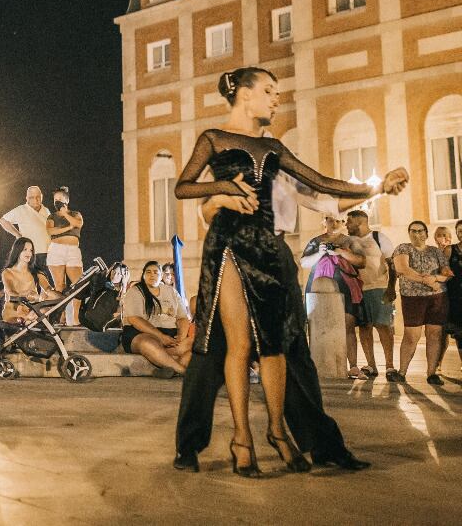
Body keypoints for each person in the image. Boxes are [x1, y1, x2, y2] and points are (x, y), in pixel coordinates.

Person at [171, 67, 404, 477]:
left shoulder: (277, 154)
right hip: (227, 248)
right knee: (214, 353)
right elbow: (198, 200)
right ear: (244, 95)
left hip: (273, 251)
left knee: (287, 350)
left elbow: (325, 191)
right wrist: (223, 194)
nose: (278, 99)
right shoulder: (215, 140)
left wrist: (377, 187)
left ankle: (303, 439)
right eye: (269, 91)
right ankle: (203, 443)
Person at [299, 217, 366, 379]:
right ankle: (315, 363)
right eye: (331, 220)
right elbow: (304, 263)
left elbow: (361, 261)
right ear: (325, 222)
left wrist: (340, 251)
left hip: (345, 285)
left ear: (343, 223)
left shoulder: (350, 241)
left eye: (338, 221)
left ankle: (353, 365)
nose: (334, 224)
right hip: (318, 285)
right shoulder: (316, 241)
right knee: (315, 324)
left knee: (348, 324)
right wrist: (320, 253)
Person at [389, 221, 450, 385]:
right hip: (412, 298)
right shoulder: (403, 248)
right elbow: (403, 269)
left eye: (420, 231)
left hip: (437, 297)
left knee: (434, 334)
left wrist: (436, 278)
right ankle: (401, 372)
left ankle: (431, 373)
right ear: (409, 233)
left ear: (426, 233)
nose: (417, 234)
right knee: (411, 335)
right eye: (413, 231)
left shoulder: (436, 251)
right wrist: (427, 280)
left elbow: (446, 273)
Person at [344, 209, 397, 378]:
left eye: (349, 221)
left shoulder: (378, 238)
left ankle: (390, 366)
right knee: (364, 328)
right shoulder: (349, 242)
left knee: (383, 326)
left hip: (379, 288)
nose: (346, 225)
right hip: (358, 290)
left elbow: (392, 264)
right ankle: (371, 365)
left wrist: (391, 288)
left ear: (360, 222)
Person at [120, 260, 192, 376]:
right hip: (141, 333)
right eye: (148, 272)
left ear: (161, 276)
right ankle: (183, 371)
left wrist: (181, 337)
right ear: (143, 276)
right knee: (148, 344)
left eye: (155, 272)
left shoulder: (171, 291)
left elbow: (182, 318)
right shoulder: (135, 291)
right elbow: (135, 320)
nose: (152, 275)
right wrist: (161, 337)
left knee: (194, 343)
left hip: (170, 336)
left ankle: (169, 367)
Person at [0, 186, 53, 292]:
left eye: (38, 197)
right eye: (32, 197)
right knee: (32, 283)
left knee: (47, 284)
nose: (35, 199)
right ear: (27, 198)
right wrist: (18, 235)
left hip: (48, 252)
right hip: (31, 254)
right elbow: (3, 220)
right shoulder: (21, 210)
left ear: (42, 197)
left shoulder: (46, 210)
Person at [46, 187, 85, 325]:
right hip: (56, 250)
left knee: (78, 285)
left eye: (60, 199)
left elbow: (78, 223)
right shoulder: (52, 216)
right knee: (60, 285)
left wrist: (65, 214)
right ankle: (61, 317)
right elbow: (51, 231)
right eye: (55, 199)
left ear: (66, 200)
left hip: (73, 250)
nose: (57, 201)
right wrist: (69, 228)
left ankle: (75, 318)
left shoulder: (75, 213)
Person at [0, 237, 42, 323]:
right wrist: (27, 296)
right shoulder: (7, 272)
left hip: (31, 312)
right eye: (25, 249)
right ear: (17, 251)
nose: (29, 253)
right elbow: (10, 291)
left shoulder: (36, 272)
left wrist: (41, 297)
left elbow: (47, 290)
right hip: (12, 314)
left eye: (31, 250)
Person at [443, 221, 462, 369]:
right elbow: (443, 270)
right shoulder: (450, 250)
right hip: (456, 298)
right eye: (459, 231)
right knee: (460, 334)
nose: (461, 233)